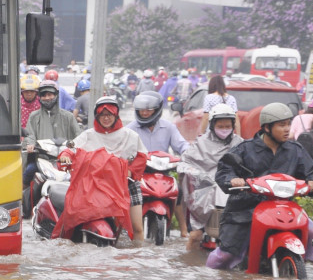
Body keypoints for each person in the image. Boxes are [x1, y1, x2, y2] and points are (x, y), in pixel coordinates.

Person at [206, 102, 313, 270]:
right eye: (282, 125)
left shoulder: (296, 150)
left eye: (289, 124)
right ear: (267, 127)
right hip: (245, 210)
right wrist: (232, 180)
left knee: (311, 230)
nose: (287, 129)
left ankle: (306, 262)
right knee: (226, 255)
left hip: (283, 208)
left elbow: (311, 170)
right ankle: (207, 277)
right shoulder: (245, 149)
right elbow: (225, 170)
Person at [60, 96, 149, 241]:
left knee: (137, 227)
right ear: (96, 116)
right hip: (96, 186)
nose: (106, 118)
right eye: (102, 115)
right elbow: (72, 148)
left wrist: (130, 171)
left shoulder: (130, 135)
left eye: (109, 115)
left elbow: (141, 156)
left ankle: (136, 255)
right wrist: (65, 154)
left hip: (126, 184)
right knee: (76, 217)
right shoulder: (88, 135)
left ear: (115, 115)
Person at [178, 104, 243, 251]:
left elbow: (249, 166)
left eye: (228, 125)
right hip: (203, 196)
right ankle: (190, 263)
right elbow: (185, 162)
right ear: (213, 125)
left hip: (230, 193)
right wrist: (197, 175)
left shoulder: (239, 143)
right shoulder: (200, 143)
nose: (224, 129)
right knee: (195, 236)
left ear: (233, 125)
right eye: (221, 125)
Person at [127, 91, 190, 236]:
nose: (145, 113)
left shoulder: (168, 127)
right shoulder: (130, 129)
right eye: (142, 110)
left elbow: (181, 145)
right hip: (139, 173)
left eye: (149, 110)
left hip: (162, 172)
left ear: (157, 110)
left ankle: (184, 229)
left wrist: (188, 153)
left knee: (178, 192)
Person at [23, 79, 82, 187]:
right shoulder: (34, 116)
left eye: (50, 94)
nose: (47, 98)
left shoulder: (68, 116)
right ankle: (26, 200)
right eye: (43, 95)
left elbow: (79, 137)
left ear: (56, 95)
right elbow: (30, 135)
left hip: (65, 161)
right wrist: (30, 145)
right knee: (28, 171)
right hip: (42, 159)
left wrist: (74, 148)